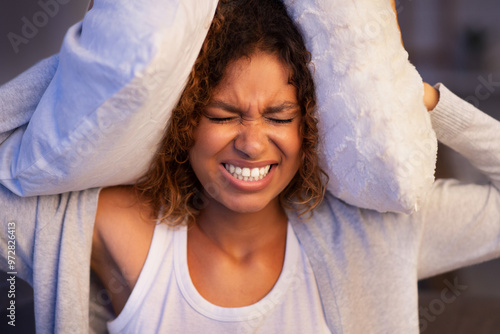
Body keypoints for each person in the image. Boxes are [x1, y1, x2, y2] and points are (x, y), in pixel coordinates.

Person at [1, 0, 499, 333]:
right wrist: (94, 74)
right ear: (182, 123)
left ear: (311, 127)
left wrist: (421, 99)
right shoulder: (113, 228)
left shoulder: (378, 231)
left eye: (279, 116)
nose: (251, 143)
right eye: (223, 115)